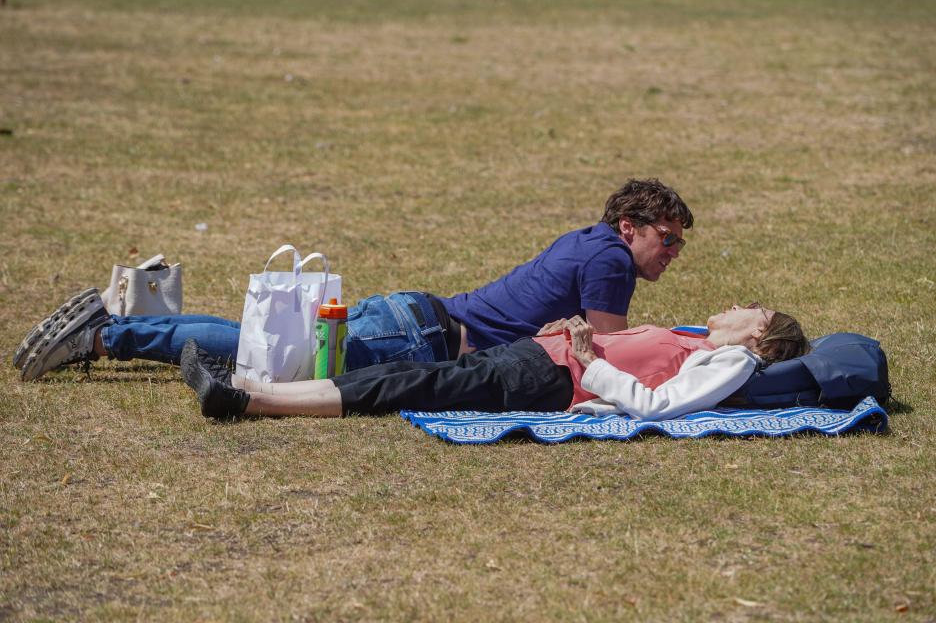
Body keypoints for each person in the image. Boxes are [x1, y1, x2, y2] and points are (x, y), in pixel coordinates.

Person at [17, 178, 693, 381]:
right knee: (258, 351)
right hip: (423, 342)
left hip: (418, 319)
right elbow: (611, 355)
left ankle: (115, 327)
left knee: (261, 345)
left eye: (678, 246)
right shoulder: (608, 260)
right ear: (630, 226)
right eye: (666, 239)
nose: (671, 253)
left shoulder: (588, 242)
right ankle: (109, 334)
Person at [181, 303, 809, 422]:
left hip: (550, 380)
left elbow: (658, 405)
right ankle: (248, 387)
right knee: (414, 378)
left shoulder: (731, 364)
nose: (731, 304)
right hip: (542, 356)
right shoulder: (699, 339)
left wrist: (588, 358)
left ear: (761, 331)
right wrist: (574, 332)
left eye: (747, 307)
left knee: (411, 383)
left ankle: (250, 400)